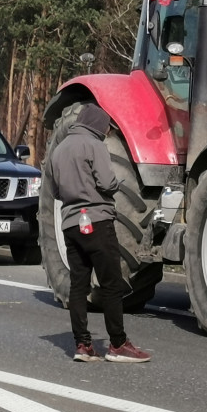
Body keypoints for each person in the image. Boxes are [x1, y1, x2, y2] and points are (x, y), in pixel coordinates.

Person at [47, 104, 151, 364]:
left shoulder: (58, 150)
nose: (106, 132)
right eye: (106, 127)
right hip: (97, 220)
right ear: (97, 123)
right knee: (111, 284)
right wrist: (116, 185)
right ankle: (117, 344)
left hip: (71, 223)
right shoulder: (94, 145)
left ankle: (83, 345)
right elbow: (106, 183)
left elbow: (54, 191)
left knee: (79, 286)